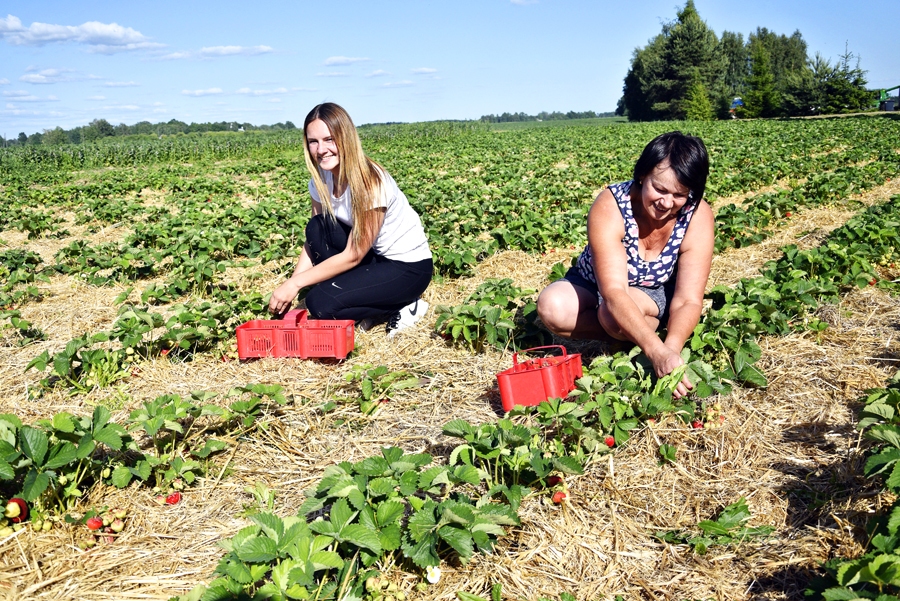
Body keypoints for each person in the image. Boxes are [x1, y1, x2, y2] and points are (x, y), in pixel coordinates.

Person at [536, 131, 714, 398]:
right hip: (597, 282)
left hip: (651, 290)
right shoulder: (612, 205)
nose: (666, 203)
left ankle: (628, 332)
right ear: (642, 175)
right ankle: (634, 335)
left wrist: (671, 349)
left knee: (613, 318)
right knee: (553, 307)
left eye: (679, 194)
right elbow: (614, 291)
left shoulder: (696, 215)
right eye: (660, 189)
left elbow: (688, 299)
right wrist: (655, 351)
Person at [268, 103, 433, 337]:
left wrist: (296, 285)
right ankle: (362, 298)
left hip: (407, 268)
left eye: (329, 139)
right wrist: (293, 282)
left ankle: (404, 304)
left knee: (320, 304)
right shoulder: (321, 178)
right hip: (374, 257)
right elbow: (313, 240)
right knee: (317, 227)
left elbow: (354, 254)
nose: (321, 149)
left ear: (345, 137)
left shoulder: (370, 182)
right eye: (313, 141)